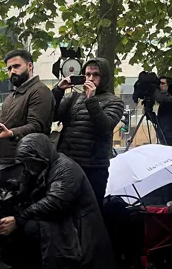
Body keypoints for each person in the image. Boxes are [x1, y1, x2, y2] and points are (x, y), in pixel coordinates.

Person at [0, 134, 117, 269]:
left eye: (31, 163)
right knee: (12, 229)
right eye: (26, 164)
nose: (28, 167)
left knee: (31, 229)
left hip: (75, 230)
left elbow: (55, 203)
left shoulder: (66, 169)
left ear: (41, 157)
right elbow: (25, 191)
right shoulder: (38, 167)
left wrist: (19, 219)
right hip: (61, 224)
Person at [0, 49, 54, 269]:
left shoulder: (40, 92)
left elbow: (37, 126)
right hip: (5, 164)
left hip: (24, 165)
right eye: (8, 68)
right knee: (8, 217)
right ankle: (15, 265)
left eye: (16, 66)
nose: (12, 71)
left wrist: (11, 133)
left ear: (30, 66)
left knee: (22, 218)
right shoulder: (11, 97)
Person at [54, 58, 125, 207]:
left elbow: (104, 126)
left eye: (96, 74)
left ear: (104, 77)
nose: (91, 78)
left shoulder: (115, 102)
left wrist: (91, 100)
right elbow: (52, 115)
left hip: (93, 169)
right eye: (87, 74)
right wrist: (58, 90)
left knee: (91, 215)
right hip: (68, 165)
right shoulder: (73, 97)